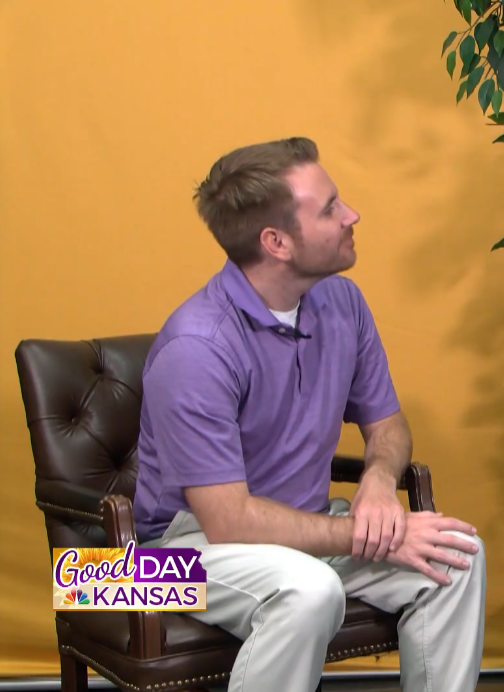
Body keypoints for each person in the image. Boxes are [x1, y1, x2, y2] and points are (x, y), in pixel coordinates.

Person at [132, 137, 486, 692]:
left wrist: (377, 480)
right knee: (308, 589)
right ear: (276, 242)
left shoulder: (342, 304)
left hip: (296, 531)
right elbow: (228, 523)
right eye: (330, 208)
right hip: (152, 564)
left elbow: (388, 426)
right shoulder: (196, 347)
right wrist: (361, 534)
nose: (352, 215)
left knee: (457, 557)